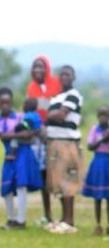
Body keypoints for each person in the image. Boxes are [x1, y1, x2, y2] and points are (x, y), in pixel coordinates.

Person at [44, 65, 85, 234]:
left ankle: (69, 221)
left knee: (68, 181)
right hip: (54, 142)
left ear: (73, 77)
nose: (64, 77)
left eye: (68, 74)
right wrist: (51, 115)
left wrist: (49, 116)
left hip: (67, 142)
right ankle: (62, 219)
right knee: (58, 182)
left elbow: (61, 115)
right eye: (62, 75)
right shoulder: (56, 97)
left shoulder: (73, 95)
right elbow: (53, 113)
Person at [0, 88, 41, 230]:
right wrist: (21, 134)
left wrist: (16, 134)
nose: (5, 106)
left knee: (21, 184)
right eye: (2, 103)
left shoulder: (20, 116)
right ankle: (11, 218)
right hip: (9, 154)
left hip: (23, 153)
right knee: (7, 185)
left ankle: (21, 220)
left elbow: (29, 134)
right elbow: (2, 136)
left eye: (8, 102)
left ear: (12, 102)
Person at [26, 56, 61, 226]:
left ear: (47, 68)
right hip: (38, 136)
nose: (37, 70)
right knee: (43, 175)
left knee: (58, 175)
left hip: (56, 134)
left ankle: (65, 216)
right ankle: (48, 215)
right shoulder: (31, 87)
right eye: (34, 67)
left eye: (40, 67)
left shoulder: (56, 84)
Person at [83, 106, 109, 236]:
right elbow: (90, 146)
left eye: (105, 115)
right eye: (101, 115)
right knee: (97, 197)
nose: (103, 118)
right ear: (98, 116)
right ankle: (98, 225)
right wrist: (102, 140)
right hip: (98, 163)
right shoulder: (95, 130)